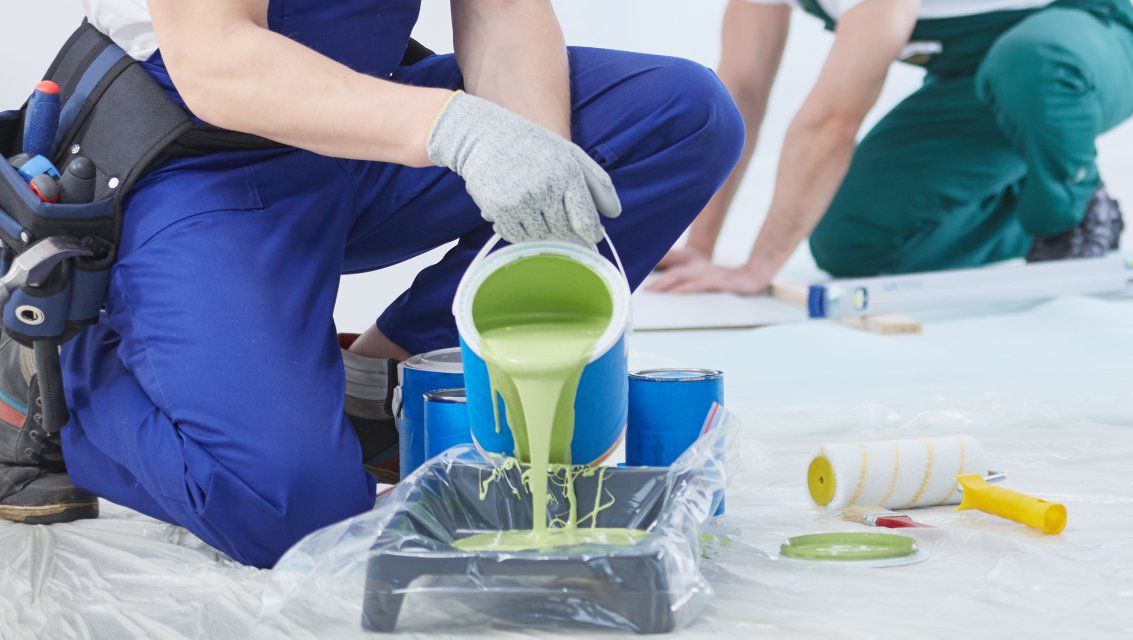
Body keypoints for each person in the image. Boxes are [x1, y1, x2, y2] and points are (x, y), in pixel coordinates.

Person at [0, 0, 744, 568]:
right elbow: (216, 60)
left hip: (348, 120)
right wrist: (461, 133)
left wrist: (534, 181)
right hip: (194, 159)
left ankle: (386, 382)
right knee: (291, 508)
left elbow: (503, 11)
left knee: (679, 115)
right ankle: (48, 382)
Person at [645, 0, 1133, 294]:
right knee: (851, 240)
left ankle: (1071, 211)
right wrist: (700, 246)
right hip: (970, 83)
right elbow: (741, 93)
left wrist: (757, 270)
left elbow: (832, 120)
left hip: (1084, 45)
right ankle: (1030, 201)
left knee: (1028, 65)